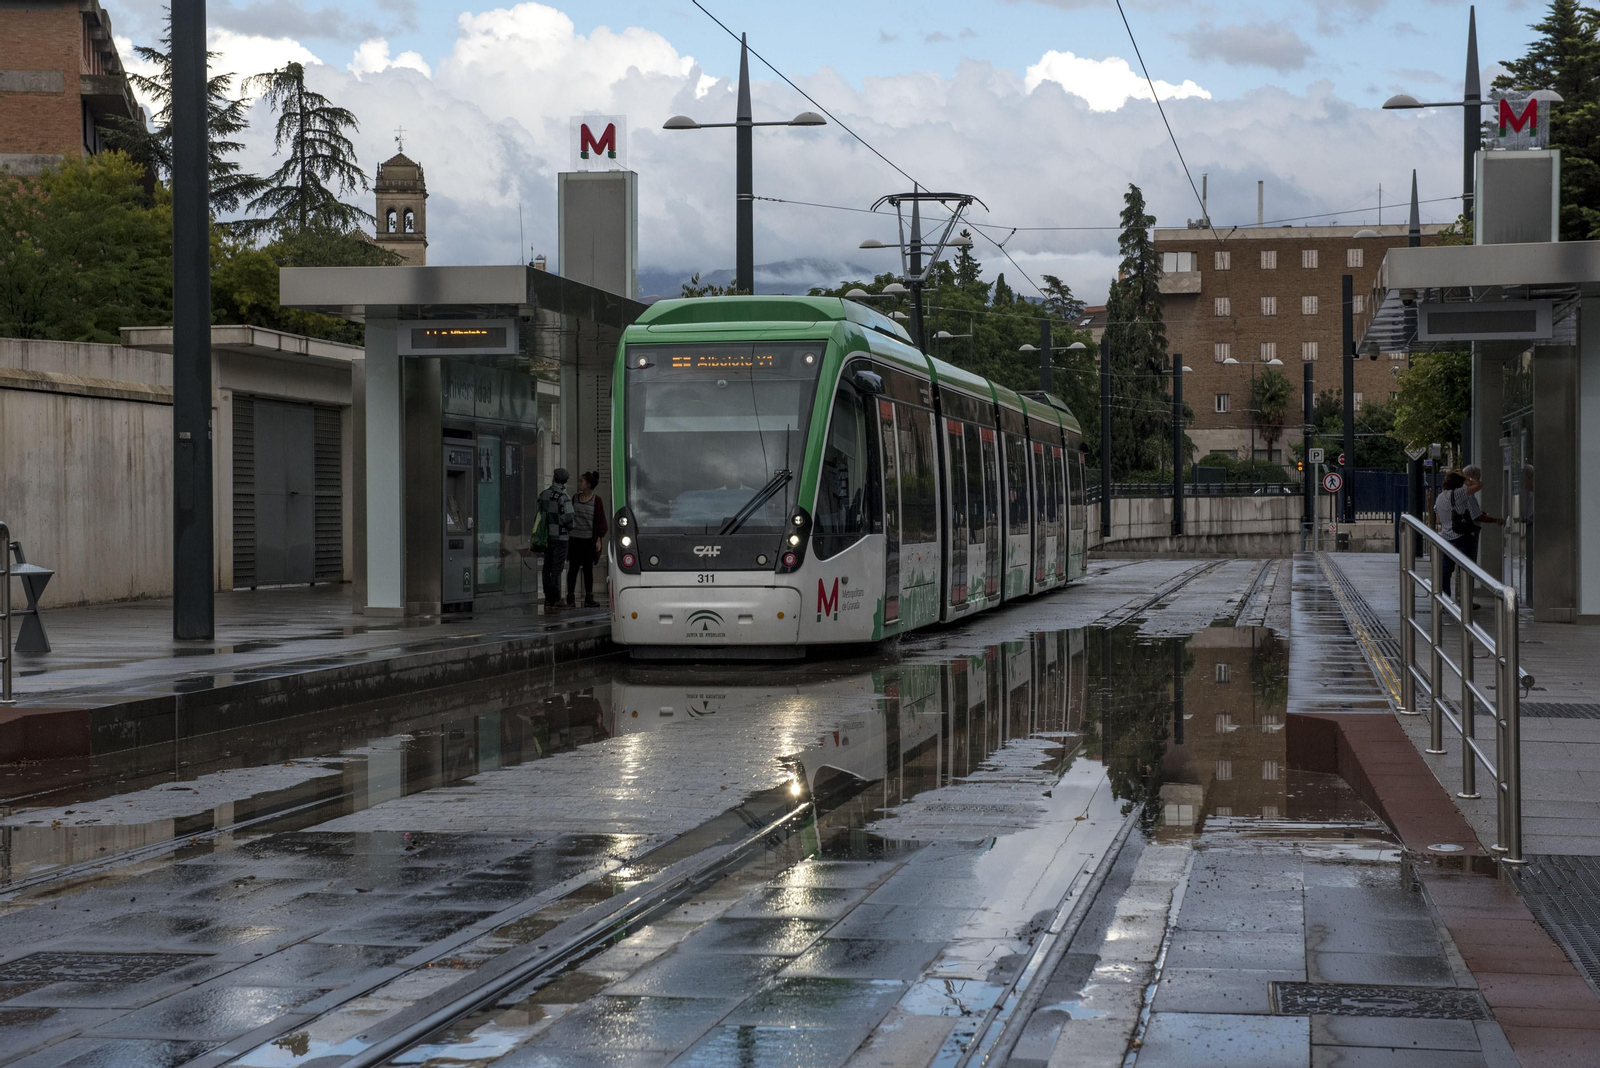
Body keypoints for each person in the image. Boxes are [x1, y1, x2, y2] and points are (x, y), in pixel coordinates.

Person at [565, 470, 608, 608]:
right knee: (573, 569)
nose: (579, 484)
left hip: (588, 540)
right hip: (574, 539)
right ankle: (570, 597)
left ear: (588, 484)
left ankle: (589, 597)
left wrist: (598, 539)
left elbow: (601, 521)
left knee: (588, 570)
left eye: (581, 481)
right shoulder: (575, 498)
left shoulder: (597, 501)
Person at [537, 469, 576, 609]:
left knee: (546, 567)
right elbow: (569, 518)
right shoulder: (564, 497)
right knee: (557, 569)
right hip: (561, 537)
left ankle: (548, 598)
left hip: (546, 536)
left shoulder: (543, 495)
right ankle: (556, 598)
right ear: (565, 481)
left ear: (554, 478)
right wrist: (570, 526)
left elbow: (539, 515)